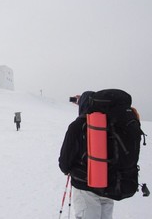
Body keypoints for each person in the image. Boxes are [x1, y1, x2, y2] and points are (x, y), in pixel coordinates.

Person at [58, 91, 114, 219]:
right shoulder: (110, 123)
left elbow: (65, 160)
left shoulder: (77, 125)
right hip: (108, 185)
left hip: (85, 186)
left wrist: (66, 169)